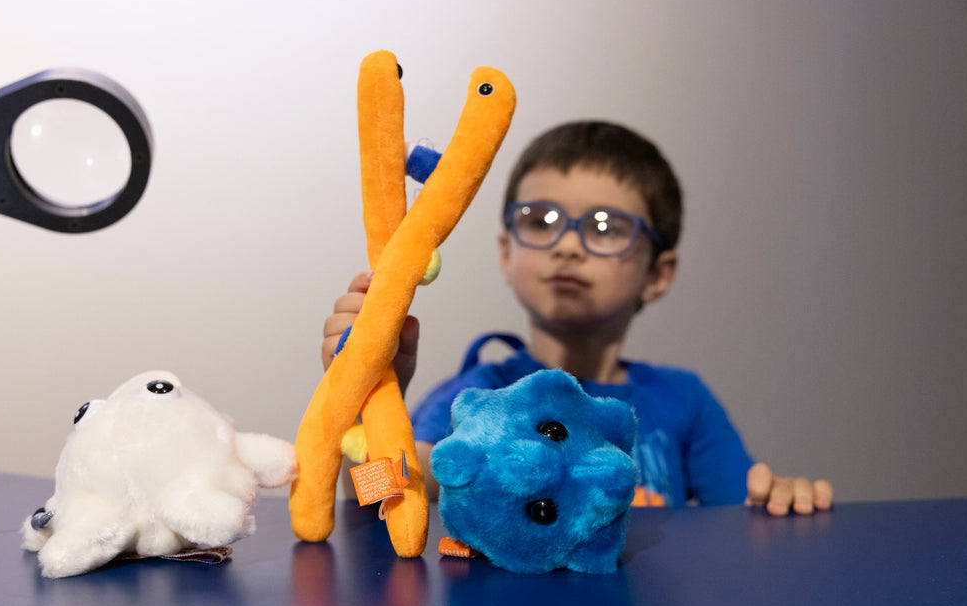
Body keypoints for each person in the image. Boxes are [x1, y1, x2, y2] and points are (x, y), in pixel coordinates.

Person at [322, 120, 832, 516]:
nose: (567, 245)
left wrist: (778, 501)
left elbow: (743, 517)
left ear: (658, 273)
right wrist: (369, 395)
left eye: (606, 226)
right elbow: (384, 498)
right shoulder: (475, 393)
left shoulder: (684, 400)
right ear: (506, 253)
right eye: (540, 221)